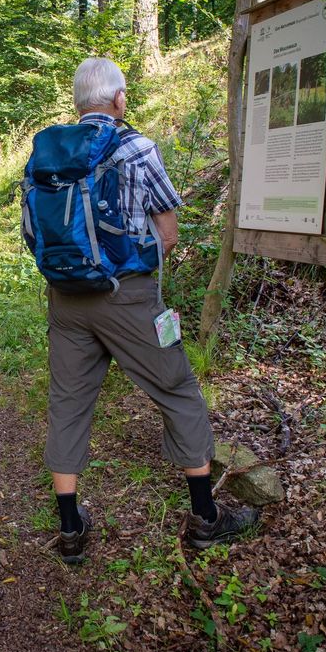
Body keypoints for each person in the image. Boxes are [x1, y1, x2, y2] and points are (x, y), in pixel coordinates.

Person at [41, 57, 259, 565]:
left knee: (68, 403)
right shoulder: (136, 146)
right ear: (119, 100)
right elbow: (169, 232)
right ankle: (206, 518)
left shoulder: (53, 151)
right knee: (177, 390)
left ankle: (71, 528)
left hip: (66, 300)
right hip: (130, 297)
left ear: (78, 102)